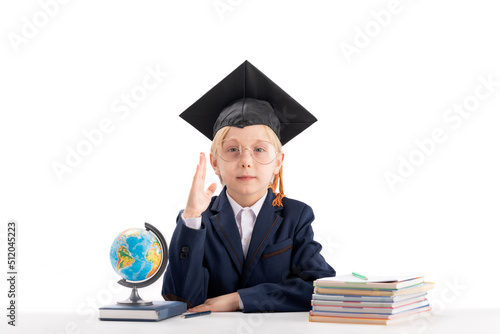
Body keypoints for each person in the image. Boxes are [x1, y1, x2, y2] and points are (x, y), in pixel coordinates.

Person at [161, 61, 335, 313]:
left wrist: (238, 299)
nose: (245, 161)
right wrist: (190, 218)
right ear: (215, 162)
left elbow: (320, 287)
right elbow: (180, 297)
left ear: (278, 162)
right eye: (232, 149)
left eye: (259, 150)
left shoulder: (295, 217)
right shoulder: (199, 221)